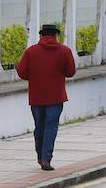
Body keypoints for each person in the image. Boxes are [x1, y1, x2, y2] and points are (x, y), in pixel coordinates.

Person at [16, 24, 76, 171]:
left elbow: (22, 72)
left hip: (36, 96)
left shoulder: (31, 51)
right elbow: (70, 72)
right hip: (56, 96)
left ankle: (39, 154)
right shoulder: (64, 51)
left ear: (41, 35)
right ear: (56, 35)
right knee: (51, 126)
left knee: (39, 126)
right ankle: (46, 158)